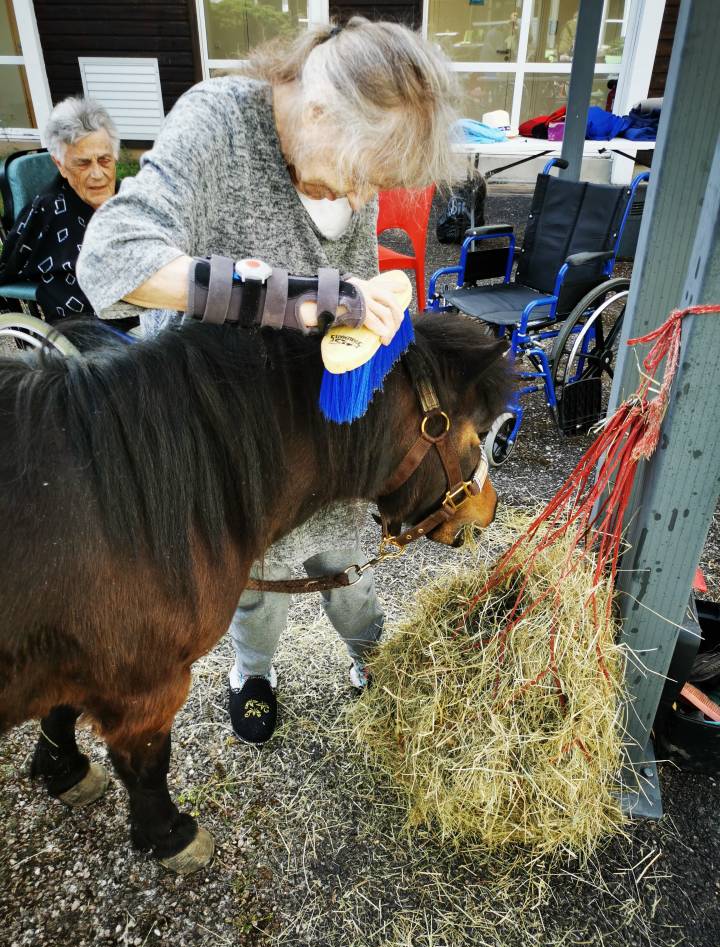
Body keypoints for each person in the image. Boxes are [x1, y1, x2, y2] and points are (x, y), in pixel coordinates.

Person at [76, 17, 461, 745]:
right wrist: (287, 295)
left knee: (341, 556)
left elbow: (341, 283)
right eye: (362, 171)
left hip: (304, 417)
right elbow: (111, 264)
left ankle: (373, 655)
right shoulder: (216, 124)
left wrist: (371, 301)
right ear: (316, 110)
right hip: (216, 428)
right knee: (252, 581)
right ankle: (253, 672)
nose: (361, 190)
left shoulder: (348, 156)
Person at [0, 97, 133, 329]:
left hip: (149, 315)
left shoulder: (129, 198)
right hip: (94, 334)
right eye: (83, 164)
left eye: (104, 160)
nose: (97, 175)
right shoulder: (47, 211)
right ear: (60, 164)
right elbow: (10, 266)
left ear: (115, 156)